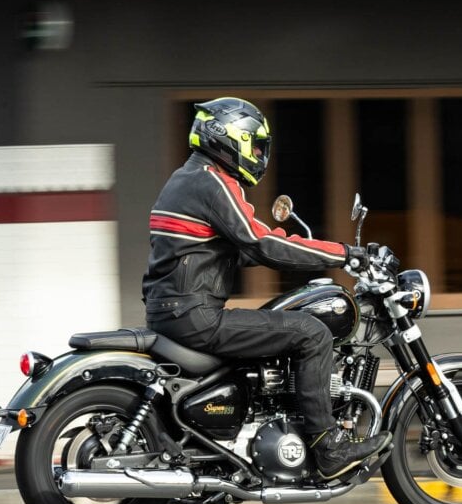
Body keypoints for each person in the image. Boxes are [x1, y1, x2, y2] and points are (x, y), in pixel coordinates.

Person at [142, 97, 392, 480]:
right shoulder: (212, 182)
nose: (259, 154)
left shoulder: (185, 179)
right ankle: (327, 449)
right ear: (229, 137)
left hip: (173, 310)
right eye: (255, 145)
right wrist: (344, 254)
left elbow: (224, 252)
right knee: (311, 332)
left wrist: (300, 257)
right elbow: (260, 241)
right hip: (195, 315)